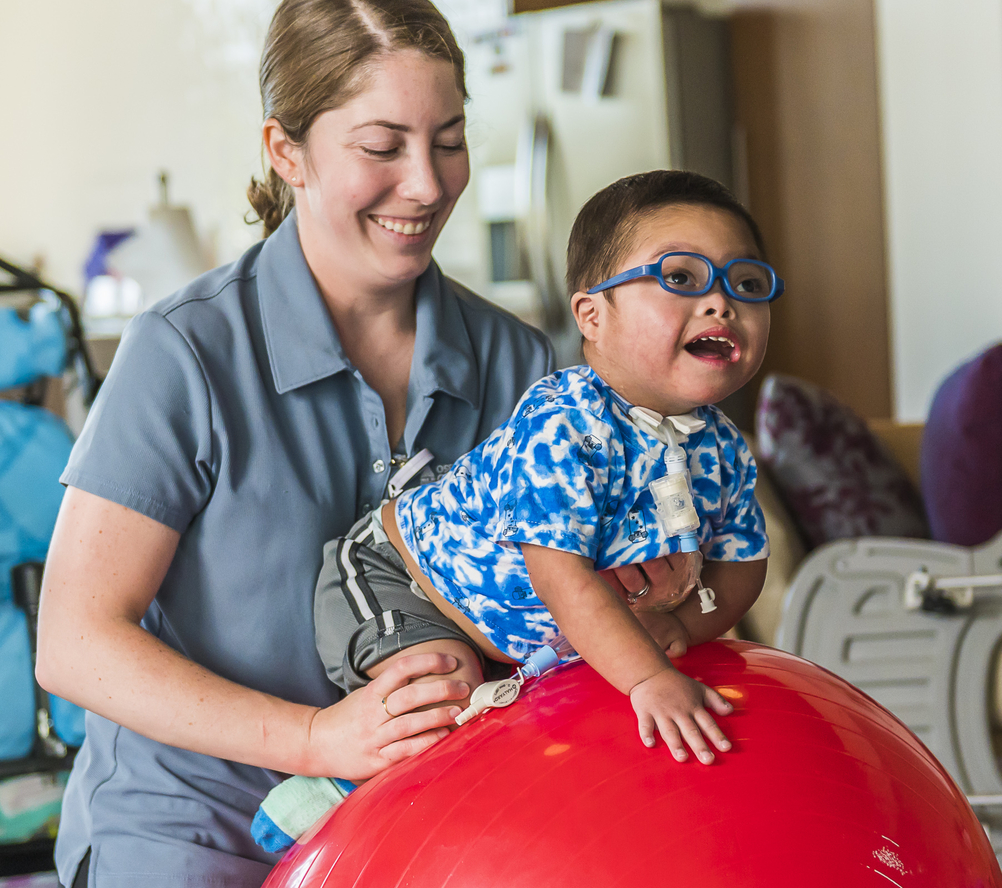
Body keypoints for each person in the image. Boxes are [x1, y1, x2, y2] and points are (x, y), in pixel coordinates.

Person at [34, 0, 696, 887]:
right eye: (382, 146)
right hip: (193, 832)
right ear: (288, 151)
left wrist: (650, 600)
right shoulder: (184, 354)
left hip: (433, 822)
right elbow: (74, 641)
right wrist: (314, 737)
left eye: (450, 141)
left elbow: (573, 610)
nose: (425, 185)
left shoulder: (519, 364)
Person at [253, 170, 777, 852]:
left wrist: (681, 625)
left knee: (560, 699)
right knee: (445, 691)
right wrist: (647, 675)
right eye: (681, 278)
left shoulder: (723, 450)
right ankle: (336, 794)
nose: (721, 304)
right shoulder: (566, 423)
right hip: (407, 578)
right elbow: (560, 574)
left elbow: (745, 564)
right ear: (593, 317)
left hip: (528, 626)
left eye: (747, 284)